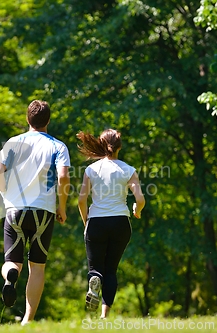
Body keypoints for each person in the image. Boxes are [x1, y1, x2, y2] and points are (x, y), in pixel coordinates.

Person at [0, 100, 71, 325]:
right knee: (37, 267)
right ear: (48, 120)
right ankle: (28, 320)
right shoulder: (58, 146)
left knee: (11, 261)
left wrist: (4, 193)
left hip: (14, 209)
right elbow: (64, 177)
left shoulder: (13, 143)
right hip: (43, 212)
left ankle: (10, 276)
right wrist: (61, 206)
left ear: (28, 119)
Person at [76, 129, 145, 319]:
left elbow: (81, 200)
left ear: (101, 144)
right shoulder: (128, 170)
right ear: (119, 147)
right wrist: (136, 211)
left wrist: (86, 222)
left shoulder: (91, 170)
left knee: (96, 268)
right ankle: (104, 316)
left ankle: (94, 281)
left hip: (96, 222)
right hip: (120, 222)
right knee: (111, 270)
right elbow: (140, 199)